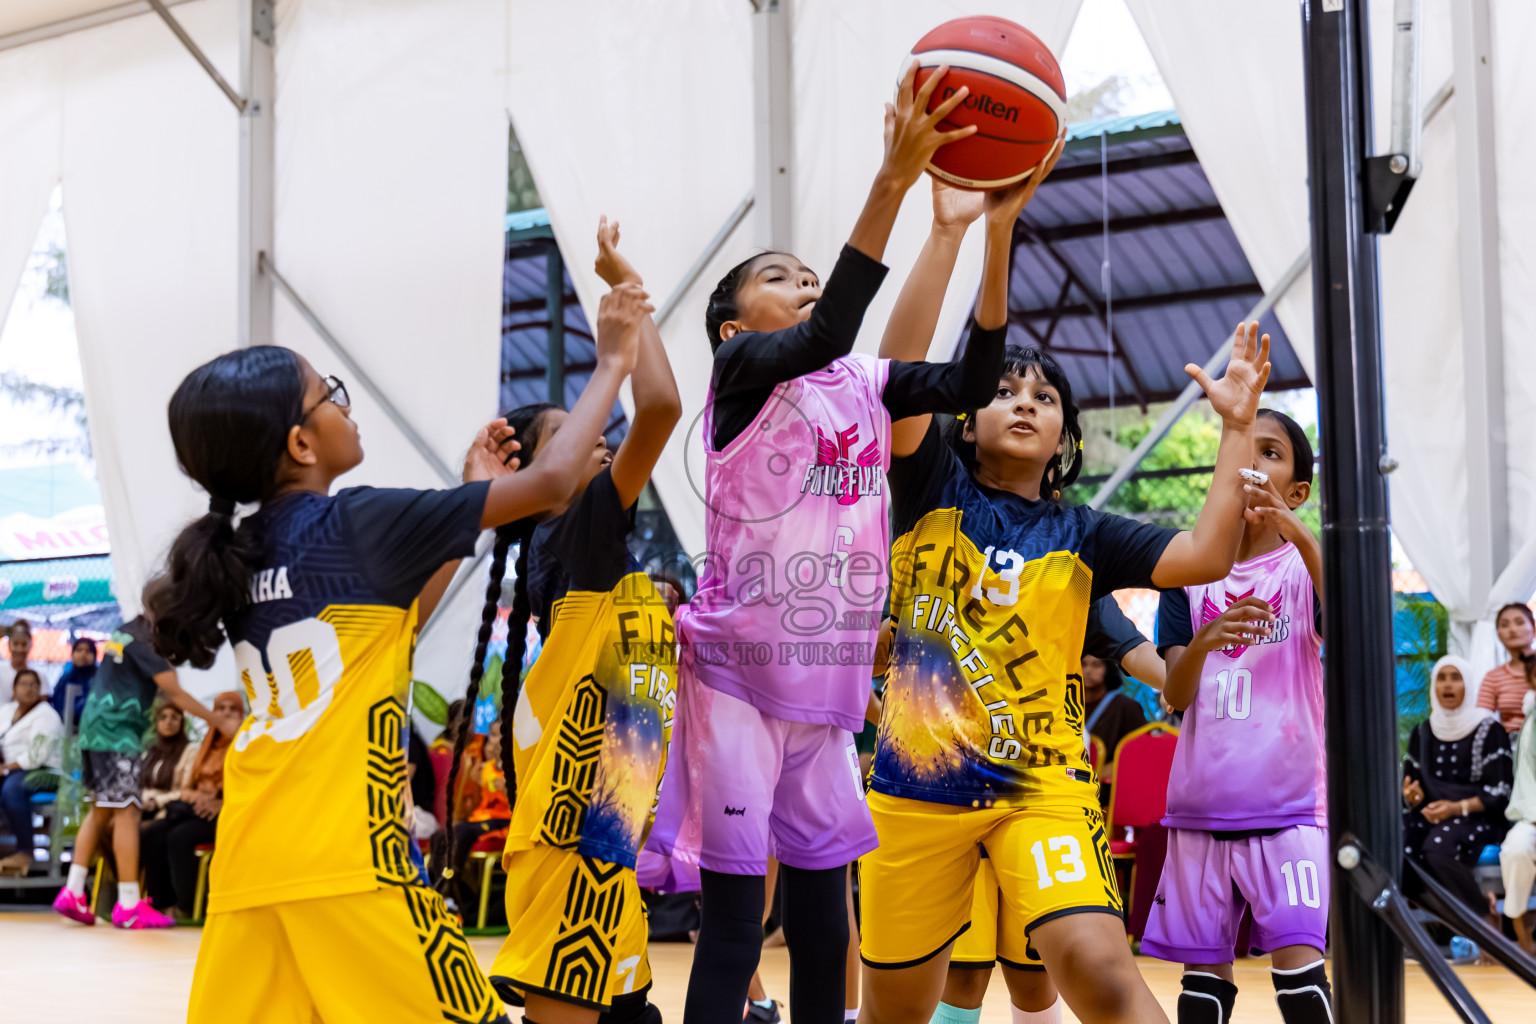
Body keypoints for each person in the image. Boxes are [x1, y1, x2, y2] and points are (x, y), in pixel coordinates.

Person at [654, 65, 1024, 1024]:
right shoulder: (739, 376)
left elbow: (976, 374)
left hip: (823, 689)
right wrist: (892, 183)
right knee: (740, 920)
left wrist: (994, 231)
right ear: (735, 324)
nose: (803, 278)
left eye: (805, 269)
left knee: (826, 918)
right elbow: (832, 324)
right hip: (737, 676)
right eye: (778, 275)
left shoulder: (862, 383)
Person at [141, 308, 636, 1020]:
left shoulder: (242, 553)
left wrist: (470, 495)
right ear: (301, 442)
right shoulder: (357, 519)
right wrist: (613, 361)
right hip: (352, 859)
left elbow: (394, 631)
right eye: (329, 393)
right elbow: (555, 482)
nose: (346, 404)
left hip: (252, 861)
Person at [855, 237, 1270, 1024]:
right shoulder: (928, 485)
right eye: (1004, 390)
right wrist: (951, 233)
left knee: (1105, 976)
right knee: (895, 1014)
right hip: (914, 793)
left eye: (1044, 397)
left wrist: (1235, 429)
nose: (1023, 402)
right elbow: (895, 384)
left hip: (1039, 789)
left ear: (1063, 438)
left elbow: (1206, 554)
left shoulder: (1086, 532)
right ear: (966, 424)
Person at [483, 219, 680, 1022]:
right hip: (584, 833)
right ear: (535, 474)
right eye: (569, 435)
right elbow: (661, 406)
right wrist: (625, 301)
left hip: (605, 829)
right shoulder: (575, 532)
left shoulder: (580, 549)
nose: (597, 438)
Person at [1143, 408, 1331, 1024]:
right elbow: (1175, 690)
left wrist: (1299, 532)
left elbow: (1350, 621)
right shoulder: (1189, 575)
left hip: (1291, 806)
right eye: (1242, 449)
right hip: (1201, 806)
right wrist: (1202, 642)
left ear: (1298, 490)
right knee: (1201, 992)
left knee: (1302, 978)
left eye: (1270, 452)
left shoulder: (1302, 570)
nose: (1252, 461)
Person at [932, 598, 1167, 1024]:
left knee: (1043, 974)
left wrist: (1181, 678)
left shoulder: (1075, 567)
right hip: (956, 787)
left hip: (1046, 795)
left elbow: (1139, 650)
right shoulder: (945, 563)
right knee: (961, 976)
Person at [52, 611, 214, 928]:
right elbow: (173, 691)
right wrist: (216, 719)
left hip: (94, 728)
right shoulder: (146, 637)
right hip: (115, 732)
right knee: (128, 811)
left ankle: (72, 890)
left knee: (100, 809)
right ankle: (129, 905)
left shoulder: (125, 630)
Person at [1403, 656, 1512, 939]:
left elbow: (1501, 793)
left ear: (1468, 684)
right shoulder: (1423, 731)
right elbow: (1412, 789)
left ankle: (1484, 922)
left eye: (1456, 678)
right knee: (1396, 841)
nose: (1448, 685)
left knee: (1438, 847)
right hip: (1432, 817)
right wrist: (1412, 797)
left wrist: (1454, 808)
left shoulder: (1490, 730)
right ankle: (1431, 923)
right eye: (1441, 678)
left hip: (1480, 817)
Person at [140, 691, 243, 918]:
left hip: (230, 813)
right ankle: (162, 905)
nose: (225, 714)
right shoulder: (207, 746)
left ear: (242, 715)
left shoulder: (246, 745)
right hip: (200, 809)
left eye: (232, 709)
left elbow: (251, 785)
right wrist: (197, 797)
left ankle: (187, 907)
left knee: (179, 836)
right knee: (155, 832)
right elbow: (187, 788)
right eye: (220, 709)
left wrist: (222, 802)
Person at [0, 668, 64, 875]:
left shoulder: (47, 714)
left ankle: (25, 851)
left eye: (34, 685)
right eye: (24, 684)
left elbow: (39, 754)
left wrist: (6, 767)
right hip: (10, 769)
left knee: (12, 789)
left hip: (46, 771)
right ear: (14, 688)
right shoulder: (6, 711)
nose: (29, 689)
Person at [1501, 676, 1536, 954]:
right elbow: (1526, 780)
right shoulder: (1530, 721)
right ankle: (1520, 926)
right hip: (1530, 815)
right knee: (1516, 847)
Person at [1479, 603, 1534, 734]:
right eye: (1504, 625)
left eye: (1519, 622)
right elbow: (1481, 718)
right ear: (1498, 634)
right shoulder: (1493, 677)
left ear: (1534, 629)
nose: (1512, 629)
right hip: (1510, 747)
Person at [139, 702, 195, 817]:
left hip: (166, 808)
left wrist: (156, 801)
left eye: (174, 717)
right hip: (140, 805)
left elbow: (186, 791)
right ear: (157, 722)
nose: (168, 722)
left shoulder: (190, 750)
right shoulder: (151, 750)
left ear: (182, 723)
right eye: (163, 717)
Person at [49, 637, 99, 726]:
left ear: (94, 656)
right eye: (79, 650)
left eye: (88, 651)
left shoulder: (99, 680)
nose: (83, 654)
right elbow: (57, 704)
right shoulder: (65, 679)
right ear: (72, 654)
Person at [0, 623, 54, 704]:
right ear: (9, 645)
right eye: (15, 644)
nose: (19, 649)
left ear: (30, 645)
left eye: (24, 644)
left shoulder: (39, 676)